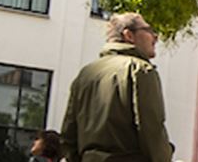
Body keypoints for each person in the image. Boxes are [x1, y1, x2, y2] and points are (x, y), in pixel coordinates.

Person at [63, 13, 173, 162]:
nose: (155, 37)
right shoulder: (140, 70)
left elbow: (69, 133)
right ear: (129, 35)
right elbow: (151, 128)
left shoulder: (86, 74)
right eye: (149, 30)